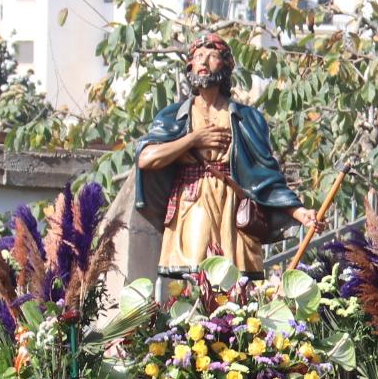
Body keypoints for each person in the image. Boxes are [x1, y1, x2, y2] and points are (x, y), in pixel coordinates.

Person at [133, 33, 316, 279]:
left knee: (238, 285)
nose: (203, 62)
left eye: (212, 56)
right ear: (190, 65)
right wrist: (193, 140)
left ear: (226, 65)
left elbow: (266, 175)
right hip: (193, 202)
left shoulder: (247, 118)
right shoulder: (173, 116)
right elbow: (146, 158)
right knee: (196, 281)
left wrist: (299, 212)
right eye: (198, 56)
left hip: (235, 208)